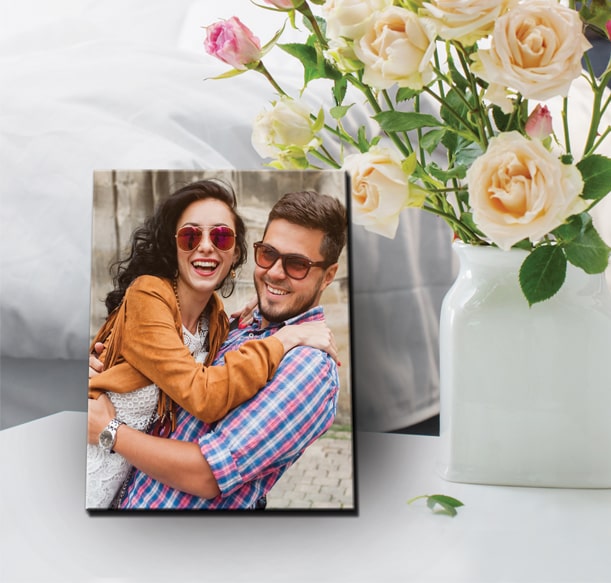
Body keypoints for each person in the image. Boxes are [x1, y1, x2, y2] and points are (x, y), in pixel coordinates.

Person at [87, 189, 348, 509]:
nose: (275, 272)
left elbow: (207, 475)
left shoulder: (307, 365)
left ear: (328, 276)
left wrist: (109, 431)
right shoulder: (232, 327)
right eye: (268, 255)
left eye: (297, 264)